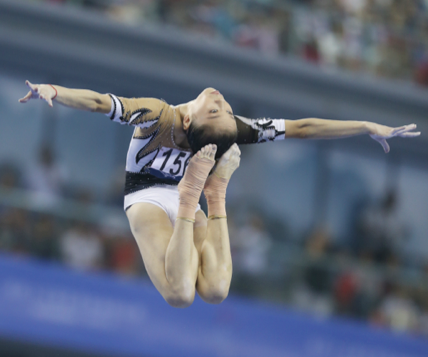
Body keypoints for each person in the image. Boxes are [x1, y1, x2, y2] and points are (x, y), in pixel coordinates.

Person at [20, 80, 420, 307]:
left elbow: (303, 129)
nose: (222, 101)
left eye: (222, 110)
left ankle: (212, 191)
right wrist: (53, 91)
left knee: (214, 290)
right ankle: (207, 190)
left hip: (181, 194)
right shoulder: (159, 114)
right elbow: (98, 102)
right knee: (180, 294)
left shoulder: (197, 123)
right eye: (222, 109)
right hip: (147, 197)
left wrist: (364, 126)